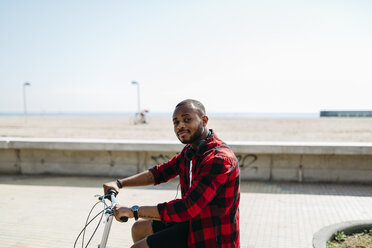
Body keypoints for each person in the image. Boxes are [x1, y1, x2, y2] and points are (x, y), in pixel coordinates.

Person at [103, 99, 240, 248]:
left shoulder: (219, 159)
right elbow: (159, 173)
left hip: (211, 236)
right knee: (139, 229)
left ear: (204, 120)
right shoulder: (190, 152)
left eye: (187, 119)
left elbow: (188, 207)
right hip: (192, 223)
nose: (180, 125)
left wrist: (133, 211)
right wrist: (119, 184)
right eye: (176, 122)